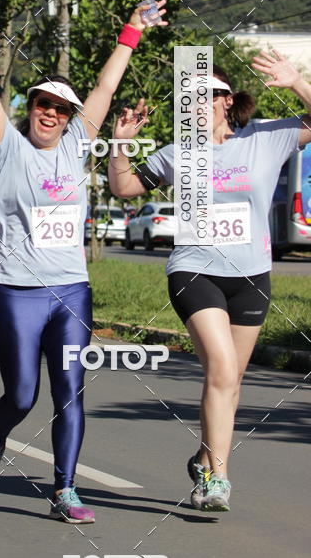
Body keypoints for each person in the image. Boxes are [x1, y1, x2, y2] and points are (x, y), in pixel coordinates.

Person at [0, 0, 166, 524]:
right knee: (21, 394)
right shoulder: (7, 147)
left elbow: (107, 84)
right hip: (15, 291)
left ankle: (65, 489)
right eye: (43, 105)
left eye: (61, 108)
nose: (52, 115)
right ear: (30, 108)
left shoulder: (80, 143)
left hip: (71, 291)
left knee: (69, 392)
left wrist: (133, 29)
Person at [108, 53, 311, 512]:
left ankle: (204, 457)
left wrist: (297, 82)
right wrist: (120, 144)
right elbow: (123, 189)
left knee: (231, 380)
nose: (198, 102)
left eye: (208, 95)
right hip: (194, 270)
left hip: (252, 274)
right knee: (221, 369)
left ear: (227, 102)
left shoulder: (266, 138)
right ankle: (217, 479)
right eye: (190, 97)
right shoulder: (177, 154)